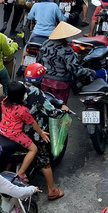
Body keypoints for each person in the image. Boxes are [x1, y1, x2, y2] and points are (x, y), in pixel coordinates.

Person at [20, 64, 65, 201]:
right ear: (41, 79)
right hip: (32, 132)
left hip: (14, 129)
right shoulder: (37, 93)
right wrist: (63, 111)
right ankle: (52, 191)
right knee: (44, 160)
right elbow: (51, 112)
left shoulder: (19, 86)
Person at [0, 82, 49, 183]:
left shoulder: (4, 102)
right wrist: (41, 133)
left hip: (1, 129)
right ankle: (21, 172)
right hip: (15, 134)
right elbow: (33, 123)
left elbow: (3, 117)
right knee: (34, 149)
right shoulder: (22, 110)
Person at [36, 22, 94, 104]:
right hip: (61, 84)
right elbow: (74, 69)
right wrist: (88, 71)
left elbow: (38, 60)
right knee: (60, 108)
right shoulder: (66, 50)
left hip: (45, 81)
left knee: (46, 106)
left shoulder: (46, 44)